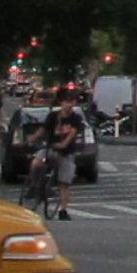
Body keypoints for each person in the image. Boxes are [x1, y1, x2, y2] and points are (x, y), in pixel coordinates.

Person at [40, 92, 86, 221]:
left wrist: (63, 144)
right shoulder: (53, 116)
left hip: (66, 152)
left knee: (64, 182)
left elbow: (73, 133)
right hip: (50, 148)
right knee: (36, 162)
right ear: (61, 103)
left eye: (72, 102)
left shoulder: (75, 118)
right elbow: (43, 129)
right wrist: (32, 139)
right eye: (66, 102)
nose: (69, 105)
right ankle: (36, 184)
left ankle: (63, 210)